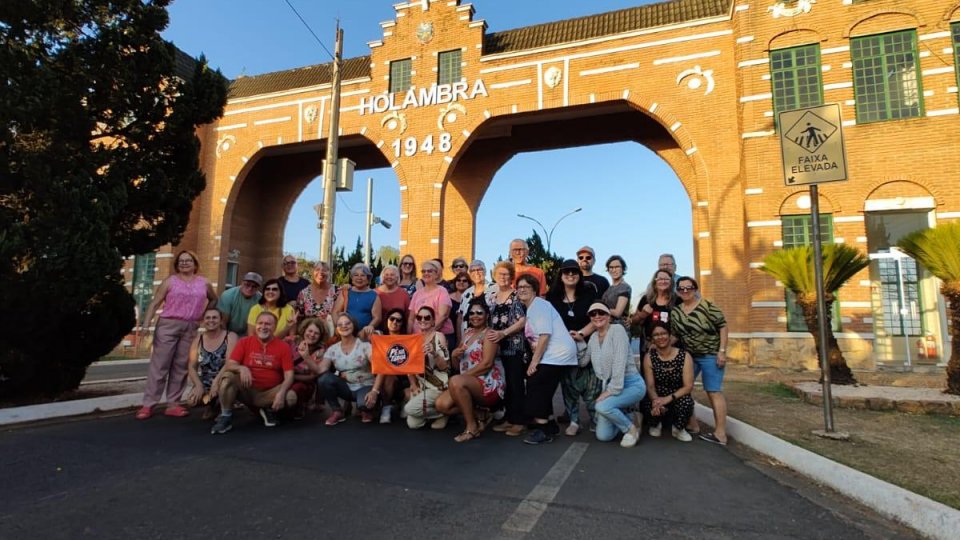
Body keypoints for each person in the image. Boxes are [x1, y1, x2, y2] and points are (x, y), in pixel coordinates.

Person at [137, 250, 218, 420]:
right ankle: (148, 405)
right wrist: (146, 324)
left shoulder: (204, 283)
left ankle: (173, 404)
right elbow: (154, 303)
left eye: (188, 261)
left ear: (195, 264)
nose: (184, 263)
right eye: (181, 261)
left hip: (191, 326)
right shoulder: (170, 281)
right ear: (177, 264)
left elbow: (213, 299)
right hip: (168, 325)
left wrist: (203, 315)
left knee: (181, 366)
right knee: (160, 365)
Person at [516, 273, 577, 445]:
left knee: (536, 383)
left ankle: (543, 429)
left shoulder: (538, 305)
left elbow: (544, 336)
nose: (522, 290)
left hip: (558, 353)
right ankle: (550, 425)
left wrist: (534, 362)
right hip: (554, 353)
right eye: (519, 287)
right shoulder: (533, 308)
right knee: (541, 385)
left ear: (535, 290)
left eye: (526, 287)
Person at [210, 311, 296, 434]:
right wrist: (241, 368)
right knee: (228, 377)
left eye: (268, 324)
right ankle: (226, 417)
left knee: (291, 397)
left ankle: (267, 409)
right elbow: (230, 364)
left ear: (275, 327)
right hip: (246, 389)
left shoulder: (283, 346)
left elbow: (289, 375)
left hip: (268, 393)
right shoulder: (245, 342)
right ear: (255, 325)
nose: (263, 327)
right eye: (260, 323)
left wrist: (281, 393)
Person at [670, 276, 729, 445]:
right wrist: (660, 345)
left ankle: (720, 433)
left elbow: (723, 326)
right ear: (677, 291)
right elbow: (676, 335)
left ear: (695, 289)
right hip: (690, 356)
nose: (685, 291)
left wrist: (722, 351)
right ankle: (693, 424)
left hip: (711, 354)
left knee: (713, 391)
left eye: (689, 288)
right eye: (681, 288)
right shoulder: (676, 312)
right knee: (683, 388)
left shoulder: (707, 306)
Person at [437, 298, 504, 442]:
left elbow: (487, 364)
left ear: (487, 315)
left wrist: (460, 379)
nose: (475, 316)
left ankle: (471, 427)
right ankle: (479, 413)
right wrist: (454, 355)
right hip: (467, 382)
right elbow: (456, 366)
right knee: (441, 405)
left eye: (479, 313)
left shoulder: (490, 334)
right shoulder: (467, 334)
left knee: (456, 381)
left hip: (488, 383)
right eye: (472, 313)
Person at [546, 259, 600, 436]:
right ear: (561, 276)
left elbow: (597, 318)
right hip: (563, 348)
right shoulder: (552, 296)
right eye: (566, 272)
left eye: (574, 272)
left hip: (586, 345)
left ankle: (595, 419)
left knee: (591, 387)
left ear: (579, 275)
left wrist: (581, 334)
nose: (570, 275)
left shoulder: (588, 293)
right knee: (568, 385)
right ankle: (574, 420)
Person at [584, 302, 646, 447]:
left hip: (631, 384)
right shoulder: (593, 337)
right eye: (593, 313)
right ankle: (632, 417)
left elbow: (619, 362)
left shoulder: (617, 330)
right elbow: (583, 361)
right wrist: (576, 341)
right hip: (611, 386)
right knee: (603, 436)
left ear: (609, 316)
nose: (597, 316)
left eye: (601, 312)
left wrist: (609, 392)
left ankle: (631, 430)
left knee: (602, 406)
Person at [487, 261, 528, 437]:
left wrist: (504, 334)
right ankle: (510, 418)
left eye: (506, 274)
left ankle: (519, 421)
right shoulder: (493, 297)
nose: (503, 277)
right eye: (500, 274)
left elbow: (522, 320)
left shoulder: (516, 295)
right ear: (495, 276)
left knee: (515, 383)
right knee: (506, 384)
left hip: (515, 346)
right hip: (499, 348)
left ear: (511, 277)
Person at [641, 322, 695, 442]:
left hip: (677, 395)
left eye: (663, 333)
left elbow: (688, 386)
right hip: (657, 395)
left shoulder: (684, 356)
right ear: (652, 339)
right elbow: (650, 386)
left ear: (670, 335)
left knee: (687, 401)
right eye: (656, 335)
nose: (660, 337)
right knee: (646, 401)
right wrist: (656, 401)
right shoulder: (649, 357)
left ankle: (678, 428)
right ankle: (656, 424)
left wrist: (668, 399)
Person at [318, 313, 376, 425]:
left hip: (365, 385)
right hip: (346, 387)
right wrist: (306, 356)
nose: (344, 326)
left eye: (347, 323)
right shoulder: (332, 349)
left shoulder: (365, 346)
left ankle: (364, 408)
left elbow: (379, 368)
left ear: (353, 325)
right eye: (340, 324)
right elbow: (320, 370)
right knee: (323, 379)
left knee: (364, 405)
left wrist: (375, 391)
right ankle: (337, 411)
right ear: (337, 329)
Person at [403, 306, 451, 429]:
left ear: (433, 321)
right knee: (413, 424)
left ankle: (445, 412)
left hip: (438, 385)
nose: (422, 320)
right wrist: (413, 385)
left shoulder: (439, 336)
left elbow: (445, 367)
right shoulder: (414, 339)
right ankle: (437, 413)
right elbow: (408, 366)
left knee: (409, 408)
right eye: (419, 317)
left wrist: (434, 353)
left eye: (427, 317)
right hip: (422, 385)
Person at [185, 308, 238, 420]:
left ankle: (224, 406)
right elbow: (192, 366)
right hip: (206, 379)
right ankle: (212, 404)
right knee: (192, 401)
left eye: (215, 317)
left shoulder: (230, 336)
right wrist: (198, 385)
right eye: (207, 318)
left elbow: (229, 363)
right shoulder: (198, 339)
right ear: (203, 321)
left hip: (225, 378)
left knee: (225, 385)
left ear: (221, 320)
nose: (211, 320)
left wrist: (216, 382)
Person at [366, 307, 409, 423]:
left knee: (409, 394)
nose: (394, 322)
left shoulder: (408, 340)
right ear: (387, 320)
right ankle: (386, 407)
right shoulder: (379, 335)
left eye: (398, 320)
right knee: (388, 376)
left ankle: (403, 403)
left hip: (405, 378)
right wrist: (369, 331)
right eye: (392, 319)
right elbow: (363, 337)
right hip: (383, 377)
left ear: (402, 324)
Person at [630, 269, 680, 348]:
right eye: (660, 279)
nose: (663, 281)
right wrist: (642, 315)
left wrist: (668, 344)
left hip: (672, 346)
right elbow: (633, 321)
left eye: (666, 279)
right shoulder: (646, 299)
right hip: (649, 346)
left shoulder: (678, 300)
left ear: (671, 282)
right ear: (654, 282)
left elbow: (682, 326)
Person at [332, 263, 382, 340]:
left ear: (368, 279)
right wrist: (339, 327)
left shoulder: (374, 295)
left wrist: (366, 329)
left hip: (364, 336)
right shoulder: (345, 292)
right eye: (356, 275)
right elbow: (335, 311)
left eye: (362, 275)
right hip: (345, 334)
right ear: (352, 278)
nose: (359, 278)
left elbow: (377, 318)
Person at [290, 317, 327, 419]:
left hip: (305, 381)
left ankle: (302, 404)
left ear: (320, 336)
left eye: (316, 333)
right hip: (286, 377)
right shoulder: (292, 341)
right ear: (304, 330)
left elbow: (313, 376)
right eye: (310, 331)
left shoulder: (320, 350)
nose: (312, 335)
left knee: (299, 388)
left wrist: (306, 356)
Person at [407, 260, 453, 337]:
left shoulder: (442, 291)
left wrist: (429, 335)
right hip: (418, 337)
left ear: (436, 274)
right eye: (423, 271)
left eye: (429, 271)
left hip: (439, 335)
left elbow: (443, 316)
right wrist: (408, 337)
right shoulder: (417, 294)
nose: (426, 273)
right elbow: (411, 319)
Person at [455, 259, 493, 343]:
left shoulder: (494, 289)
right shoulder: (466, 293)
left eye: (479, 269)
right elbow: (460, 317)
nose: (476, 273)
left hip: (489, 339)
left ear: (485, 271)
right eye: (472, 270)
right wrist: (459, 340)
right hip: (467, 339)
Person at [217, 272, 262, 337]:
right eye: (247, 284)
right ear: (241, 283)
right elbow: (223, 322)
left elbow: (257, 323)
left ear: (258, 288)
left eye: (254, 286)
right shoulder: (228, 295)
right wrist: (226, 338)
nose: (250, 288)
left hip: (249, 333)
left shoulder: (261, 299)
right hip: (228, 332)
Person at [297, 261, 338, 326]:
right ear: (312, 272)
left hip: (331, 334)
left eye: (324, 270)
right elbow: (299, 317)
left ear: (329, 273)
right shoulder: (303, 293)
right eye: (317, 270)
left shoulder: (337, 291)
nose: (321, 273)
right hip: (310, 334)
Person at [376, 264, 410, 333]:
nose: (389, 277)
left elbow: (408, 316)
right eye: (387, 275)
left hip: (398, 333)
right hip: (379, 333)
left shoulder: (404, 294)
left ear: (397, 277)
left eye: (392, 275)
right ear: (382, 277)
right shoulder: (375, 293)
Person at [601, 255, 631, 326]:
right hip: (606, 327)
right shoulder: (608, 289)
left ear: (623, 269)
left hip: (619, 327)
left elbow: (618, 313)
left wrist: (600, 308)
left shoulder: (624, 287)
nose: (614, 270)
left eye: (617, 267)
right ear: (608, 270)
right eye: (611, 267)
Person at [447, 270, 471, 352]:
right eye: (459, 280)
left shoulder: (472, 299)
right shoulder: (447, 297)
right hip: (450, 333)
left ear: (469, 283)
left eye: (465, 281)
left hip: (465, 333)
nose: (461, 282)